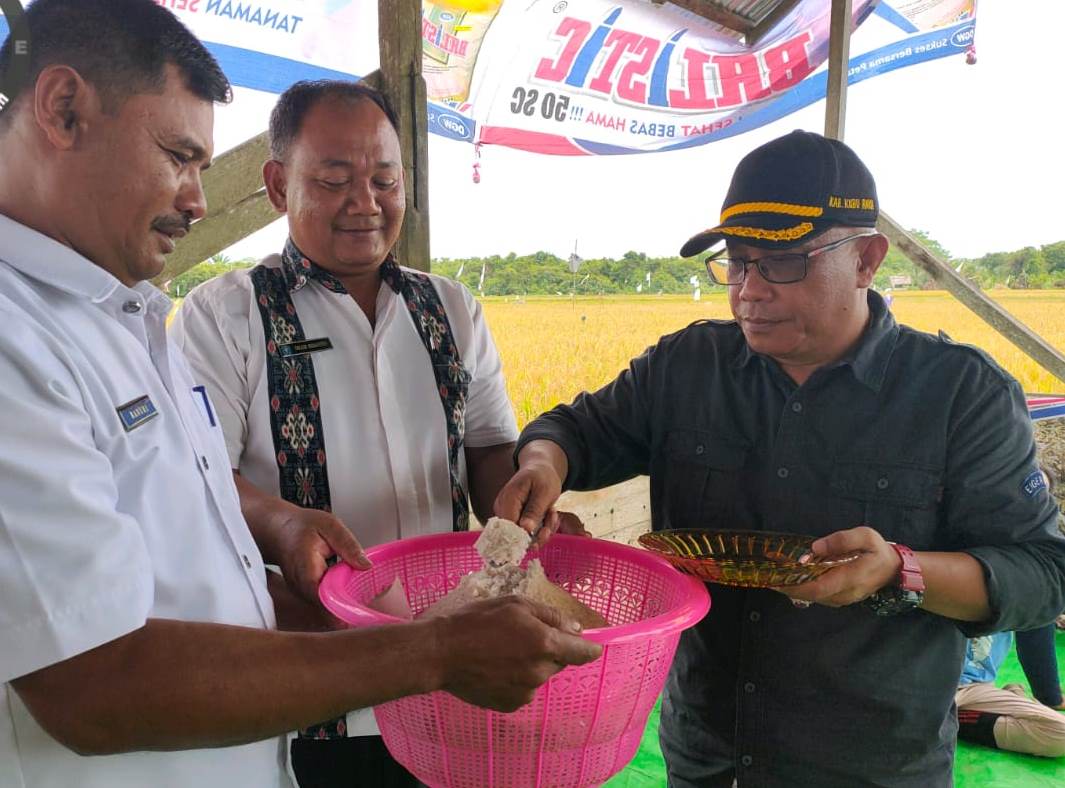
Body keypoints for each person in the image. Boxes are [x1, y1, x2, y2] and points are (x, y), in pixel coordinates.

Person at [0, 3, 601, 788]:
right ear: (63, 109)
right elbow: (91, 684)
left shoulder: (128, 315)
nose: (196, 201)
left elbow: (205, 533)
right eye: (179, 156)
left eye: (385, 179)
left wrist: (485, 542)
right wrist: (429, 648)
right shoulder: (158, 319)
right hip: (304, 700)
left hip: (303, 699)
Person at [494, 129, 1065, 787]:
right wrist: (542, 464)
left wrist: (898, 570)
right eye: (737, 262)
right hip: (708, 754)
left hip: (870, 766)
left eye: (783, 262)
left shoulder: (957, 392)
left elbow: (1041, 572)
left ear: (865, 259)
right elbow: (570, 431)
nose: (749, 292)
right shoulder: (687, 367)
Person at [169, 78, 566, 787]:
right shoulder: (224, 315)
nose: (366, 203)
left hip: (452, 665)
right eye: (333, 180)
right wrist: (283, 523)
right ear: (275, 184)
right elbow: (197, 478)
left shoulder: (450, 309)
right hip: (310, 672)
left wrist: (521, 501)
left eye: (385, 179)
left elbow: (485, 449)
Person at [957, 625, 1065, 757]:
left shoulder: (1024, 605)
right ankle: (951, 717)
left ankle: (956, 717)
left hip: (976, 687)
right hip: (931, 687)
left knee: (1059, 733)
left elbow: (1035, 633)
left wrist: (1050, 696)